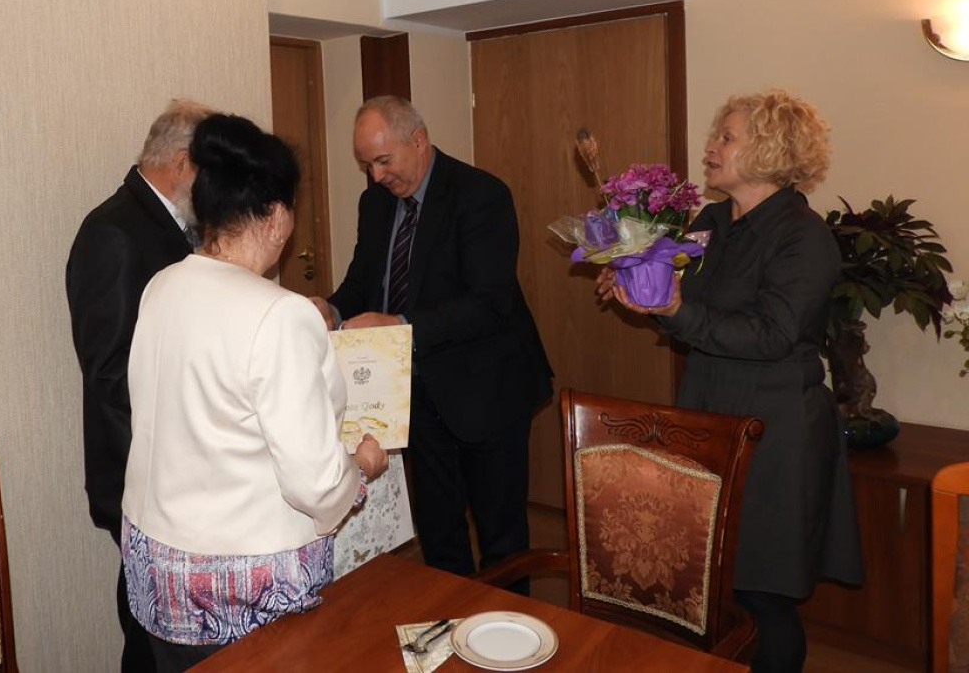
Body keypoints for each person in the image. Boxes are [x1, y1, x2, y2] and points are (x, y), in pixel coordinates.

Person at [599, 89, 863, 673]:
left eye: (726, 137)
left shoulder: (803, 236)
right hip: (707, 412)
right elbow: (688, 311)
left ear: (769, 149)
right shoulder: (712, 222)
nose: (710, 148)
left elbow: (772, 335)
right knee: (711, 580)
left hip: (774, 429)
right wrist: (641, 291)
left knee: (761, 592)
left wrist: (675, 310)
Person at [122, 113, 389, 672]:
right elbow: (316, 485)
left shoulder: (162, 286)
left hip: (155, 572)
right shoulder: (280, 315)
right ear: (274, 216)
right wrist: (362, 466)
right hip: (240, 590)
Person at [311, 96, 553, 581]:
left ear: (418, 140)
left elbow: (488, 303)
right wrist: (331, 308)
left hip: (487, 389)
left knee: (502, 540)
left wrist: (399, 325)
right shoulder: (375, 202)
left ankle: (504, 627)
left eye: (384, 160)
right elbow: (364, 281)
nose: (376, 175)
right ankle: (450, 624)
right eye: (366, 164)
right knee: (440, 534)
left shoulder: (481, 195)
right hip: (416, 395)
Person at [66, 98, 210, 673]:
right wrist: (170, 466)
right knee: (149, 631)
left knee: (171, 629)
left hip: (175, 472)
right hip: (144, 477)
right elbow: (110, 373)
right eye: (209, 170)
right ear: (181, 163)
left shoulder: (171, 225)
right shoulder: (114, 232)